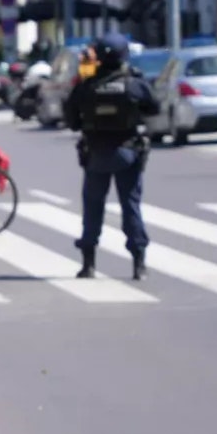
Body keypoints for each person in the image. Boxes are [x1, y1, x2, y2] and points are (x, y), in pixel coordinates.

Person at [62, 31, 159, 280]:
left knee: (93, 209)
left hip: (95, 155)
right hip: (128, 152)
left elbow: (72, 121)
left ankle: (88, 264)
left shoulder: (86, 86)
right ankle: (139, 265)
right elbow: (154, 108)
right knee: (131, 207)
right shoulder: (134, 84)